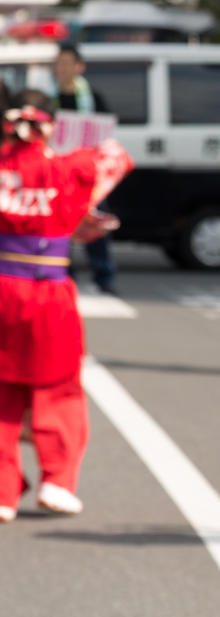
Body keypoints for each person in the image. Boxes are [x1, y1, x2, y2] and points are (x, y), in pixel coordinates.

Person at [0, 91, 131, 522]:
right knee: (59, 387)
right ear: (50, 125)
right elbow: (117, 156)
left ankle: (2, 488)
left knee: (4, 390)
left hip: (3, 284)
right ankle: (57, 480)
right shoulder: (69, 166)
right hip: (48, 287)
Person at [53, 44, 118, 295]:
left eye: (68, 63)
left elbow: (105, 133)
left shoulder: (93, 98)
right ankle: (65, 275)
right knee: (60, 228)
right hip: (59, 172)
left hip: (87, 172)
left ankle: (104, 275)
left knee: (95, 224)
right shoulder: (50, 98)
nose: (62, 68)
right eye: (59, 63)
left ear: (80, 67)